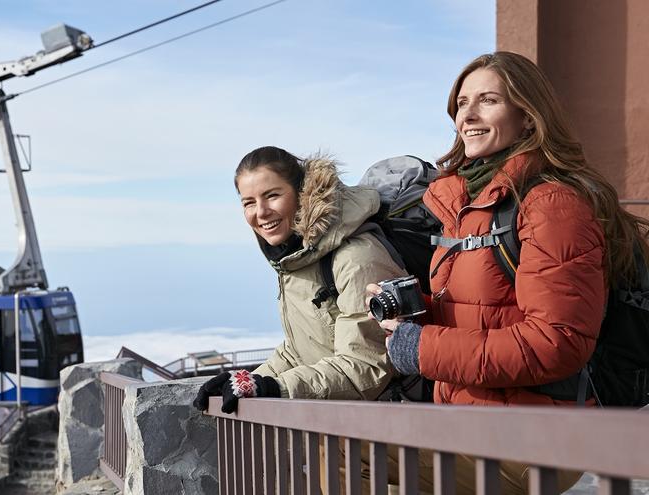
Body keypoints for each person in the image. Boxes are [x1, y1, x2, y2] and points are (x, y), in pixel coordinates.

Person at [374, 51, 649, 494]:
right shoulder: (468, 204)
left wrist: (422, 348)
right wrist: (415, 314)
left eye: (488, 101)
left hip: (536, 438)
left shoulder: (551, 204)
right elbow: (489, 312)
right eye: (462, 103)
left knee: (344, 458)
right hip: (473, 423)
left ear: (527, 117)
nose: (469, 115)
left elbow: (557, 341)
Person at [192, 145, 404, 409]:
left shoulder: (356, 258)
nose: (261, 212)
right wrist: (250, 379)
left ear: (301, 194)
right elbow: (300, 351)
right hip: (338, 429)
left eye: (272, 195)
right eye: (249, 202)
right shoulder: (298, 259)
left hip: (390, 436)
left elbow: (366, 366)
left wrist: (276, 388)